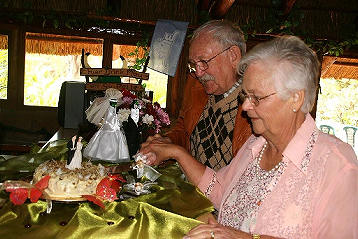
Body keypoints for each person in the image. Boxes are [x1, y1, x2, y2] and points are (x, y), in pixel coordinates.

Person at [140, 36, 358, 238]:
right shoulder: (257, 145)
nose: (245, 106)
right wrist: (176, 152)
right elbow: (220, 189)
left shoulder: (337, 165)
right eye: (245, 95)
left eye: (257, 97)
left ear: (295, 98)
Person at [150, 20, 252, 171]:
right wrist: (166, 142)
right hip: (192, 188)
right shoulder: (195, 86)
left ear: (233, 55)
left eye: (204, 62)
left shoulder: (257, 102)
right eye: (193, 64)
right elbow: (184, 130)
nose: (198, 73)